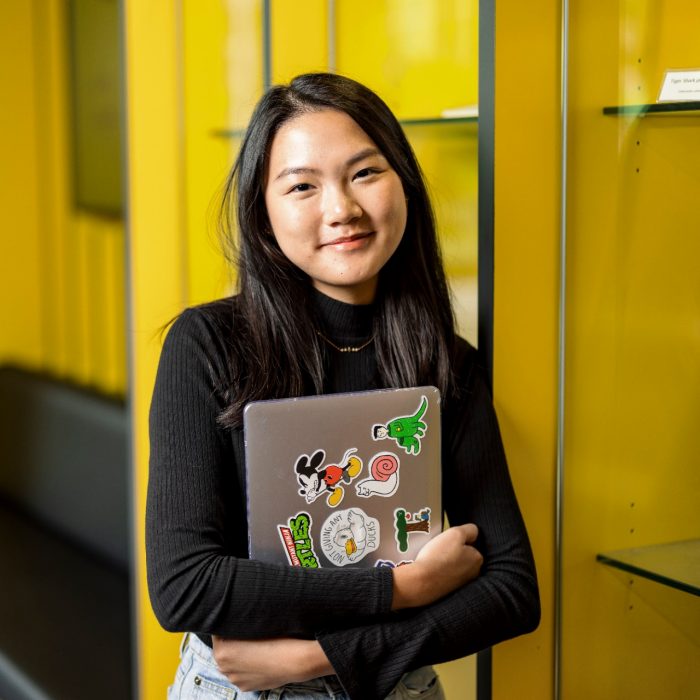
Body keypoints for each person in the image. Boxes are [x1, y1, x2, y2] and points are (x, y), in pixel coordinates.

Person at [147, 72, 540, 700]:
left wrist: (318, 656)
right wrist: (404, 588)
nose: (342, 210)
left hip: (394, 686)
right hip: (240, 687)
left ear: (404, 183)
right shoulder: (206, 346)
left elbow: (513, 590)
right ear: (263, 214)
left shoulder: (445, 362)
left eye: (364, 173)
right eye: (302, 186)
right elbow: (186, 587)